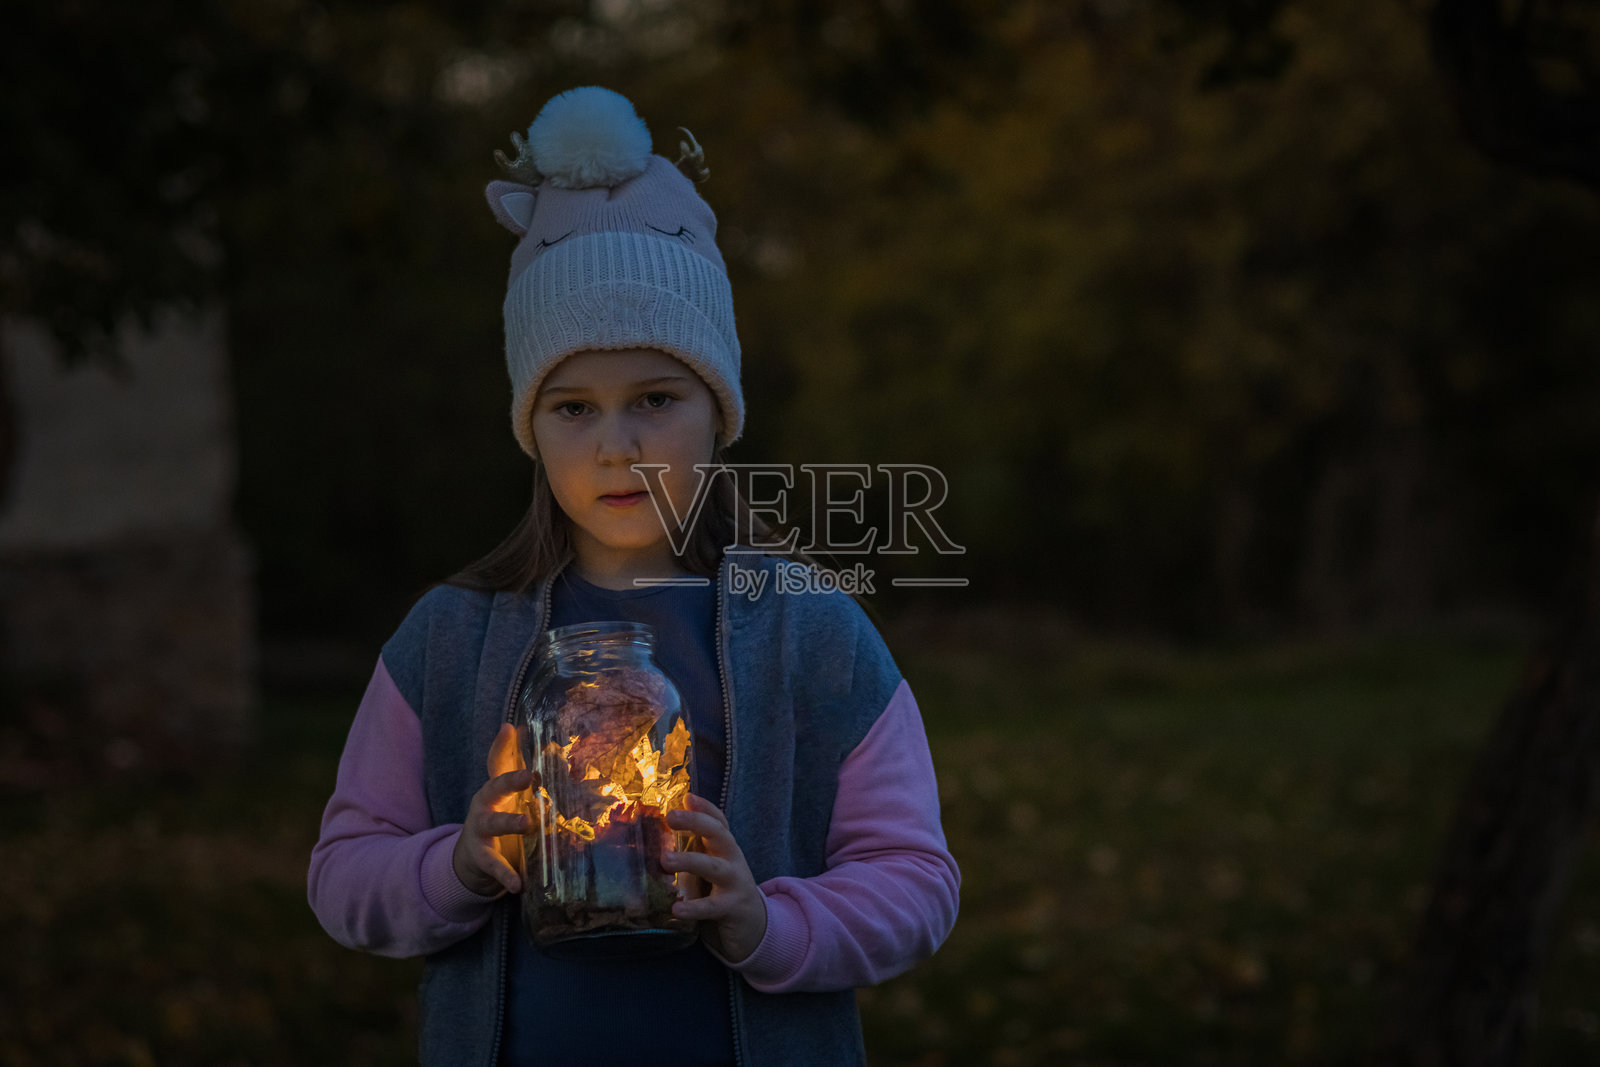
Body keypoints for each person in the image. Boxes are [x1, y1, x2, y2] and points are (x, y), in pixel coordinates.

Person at [307, 85, 959, 1067]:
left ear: (718, 409)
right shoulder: (448, 636)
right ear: (531, 426)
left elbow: (914, 877)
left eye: (655, 397)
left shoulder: (809, 630)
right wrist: (461, 861)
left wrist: (766, 923)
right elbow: (343, 870)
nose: (617, 446)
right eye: (573, 407)